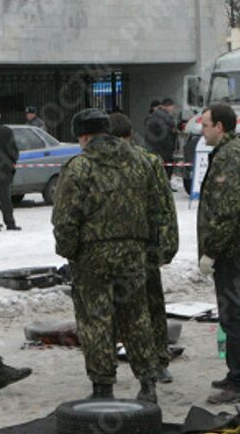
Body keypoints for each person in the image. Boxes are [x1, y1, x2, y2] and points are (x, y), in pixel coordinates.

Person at [52, 109, 162, 403]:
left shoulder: (79, 167)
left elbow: (65, 219)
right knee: (137, 316)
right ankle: (148, 382)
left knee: (95, 319)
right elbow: (156, 208)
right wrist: (149, 246)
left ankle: (103, 387)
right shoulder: (140, 161)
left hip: (92, 256)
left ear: (84, 136)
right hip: (133, 252)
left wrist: (68, 251)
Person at [198, 103, 240, 404]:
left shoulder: (230, 157)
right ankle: (236, 372)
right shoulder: (231, 151)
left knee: (234, 314)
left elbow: (227, 210)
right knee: (230, 313)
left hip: (231, 248)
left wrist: (211, 251)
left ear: (220, 127)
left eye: (206, 124)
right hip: (234, 246)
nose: (203, 130)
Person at [108, 113, 178, 384]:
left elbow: (163, 207)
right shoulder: (105, 163)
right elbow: (165, 208)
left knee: (147, 305)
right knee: (146, 306)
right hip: (131, 248)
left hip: (135, 249)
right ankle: (150, 360)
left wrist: (166, 246)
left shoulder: (147, 162)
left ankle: (156, 359)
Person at [0, 110, 19, 232]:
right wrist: (13, 161)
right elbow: (13, 150)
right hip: (4, 170)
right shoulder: (7, 131)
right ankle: (10, 223)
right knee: (5, 198)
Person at [145, 98, 178, 181]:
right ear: (167, 106)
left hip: (161, 151)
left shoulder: (164, 117)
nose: (173, 109)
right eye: (172, 106)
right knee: (162, 175)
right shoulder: (160, 117)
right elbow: (163, 135)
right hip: (161, 151)